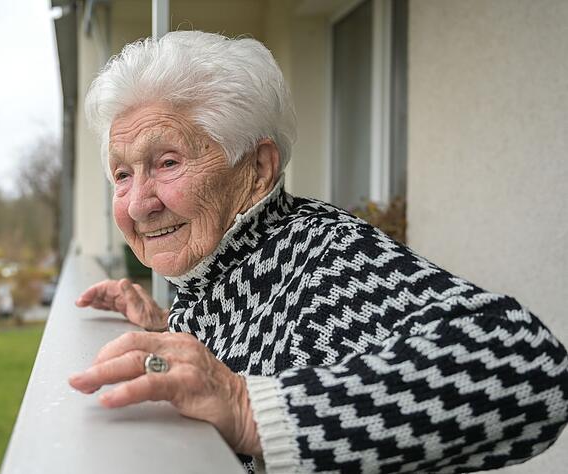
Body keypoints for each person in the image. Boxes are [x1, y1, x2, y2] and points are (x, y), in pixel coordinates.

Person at [68, 31, 568, 473]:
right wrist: (165, 326)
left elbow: (527, 364)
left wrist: (245, 408)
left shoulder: (320, 253)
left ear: (258, 168)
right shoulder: (223, 264)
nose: (138, 203)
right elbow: (259, 342)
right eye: (123, 174)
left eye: (168, 162)